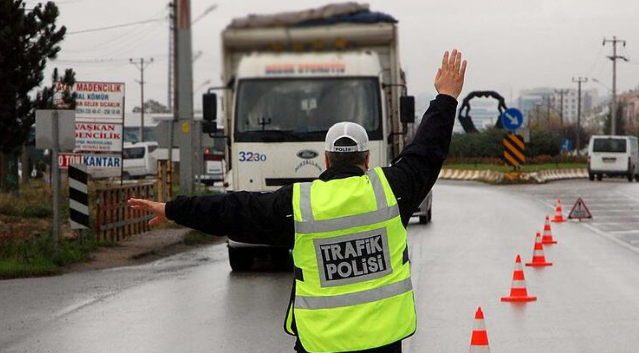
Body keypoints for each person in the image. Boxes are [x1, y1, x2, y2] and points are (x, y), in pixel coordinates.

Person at [128, 49, 467, 353]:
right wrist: (446, 98)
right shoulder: (391, 191)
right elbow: (427, 151)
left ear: (326, 159)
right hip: (382, 344)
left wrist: (174, 208)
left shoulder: (300, 204)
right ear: (366, 160)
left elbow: (233, 211)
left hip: (321, 345)